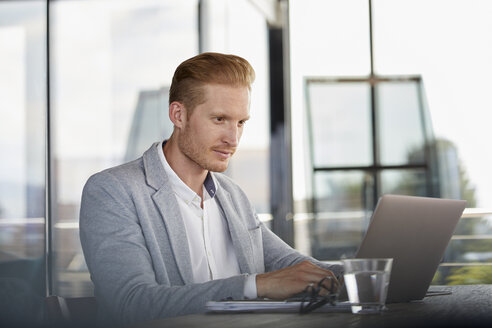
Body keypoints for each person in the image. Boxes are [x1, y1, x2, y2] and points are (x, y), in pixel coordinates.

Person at [79, 52, 342, 326]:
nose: (233, 139)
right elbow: (132, 304)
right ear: (178, 115)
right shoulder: (112, 191)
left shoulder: (232, 195)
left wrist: (373, 275)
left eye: (241, 122)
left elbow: (294, 266)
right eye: (219, 119)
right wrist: (255, 286)